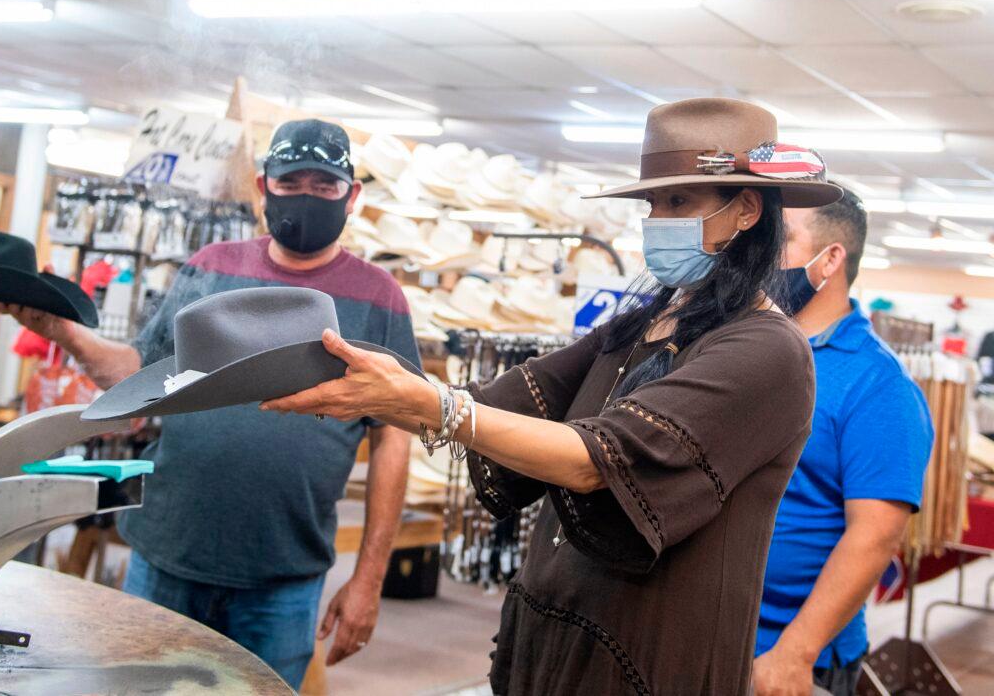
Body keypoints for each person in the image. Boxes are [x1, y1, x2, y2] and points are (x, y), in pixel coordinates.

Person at [262, 98, 843, 694]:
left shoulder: (769, 351)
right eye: (651, 202)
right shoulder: (647, 323)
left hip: (648, 657)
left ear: (746, 209)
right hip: (559, 641)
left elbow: (598, 459)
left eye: (677, 202)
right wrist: (372, 385)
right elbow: (506, 400)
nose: (656, 218)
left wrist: (428, 406)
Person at [1, 119, 420, 688]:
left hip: (284, 572)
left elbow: (394, 436)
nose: (305, 196)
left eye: (324, 185)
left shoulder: (379, 297)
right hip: (169, 549)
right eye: (290, 180)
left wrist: (369, 578)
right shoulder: (211, 267)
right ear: (260, 185)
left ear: (353, 195)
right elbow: (140, 375)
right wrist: (63, 332)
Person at [752, 188, 933, 696]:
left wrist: (794, 654)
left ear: (830, 259)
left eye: (781, 239)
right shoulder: (745, 349)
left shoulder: (879, 386)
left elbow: (874, 535)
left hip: (785, 653)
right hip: (709, 628)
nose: (760, 254)